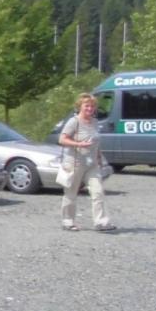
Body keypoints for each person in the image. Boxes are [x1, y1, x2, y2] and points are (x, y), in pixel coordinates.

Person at [57, 92, 115, 232]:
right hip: (75, 162)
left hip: (92, 164)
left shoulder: (94, 122)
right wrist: (79, 144)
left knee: (98, 192)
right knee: (71, 193)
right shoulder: (74, 121)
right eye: (87, 106)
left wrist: (99, 158)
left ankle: (101, 222)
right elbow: (62, 139)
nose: (90, 108)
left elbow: (95, 142)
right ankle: (68, 221)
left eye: (92, 106)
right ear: (80, 106)